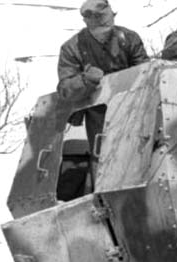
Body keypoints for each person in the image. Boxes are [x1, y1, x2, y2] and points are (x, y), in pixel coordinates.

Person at [56, 0, 148, 190]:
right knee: (106, 167)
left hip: (134, 111)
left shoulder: (129, 38)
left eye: (108, 21)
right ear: (88, 23)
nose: (107, 28)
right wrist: (86, 80)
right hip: (99, 118)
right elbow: (65, 90)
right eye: (101, 25)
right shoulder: (72, 48)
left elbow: (146, 73)